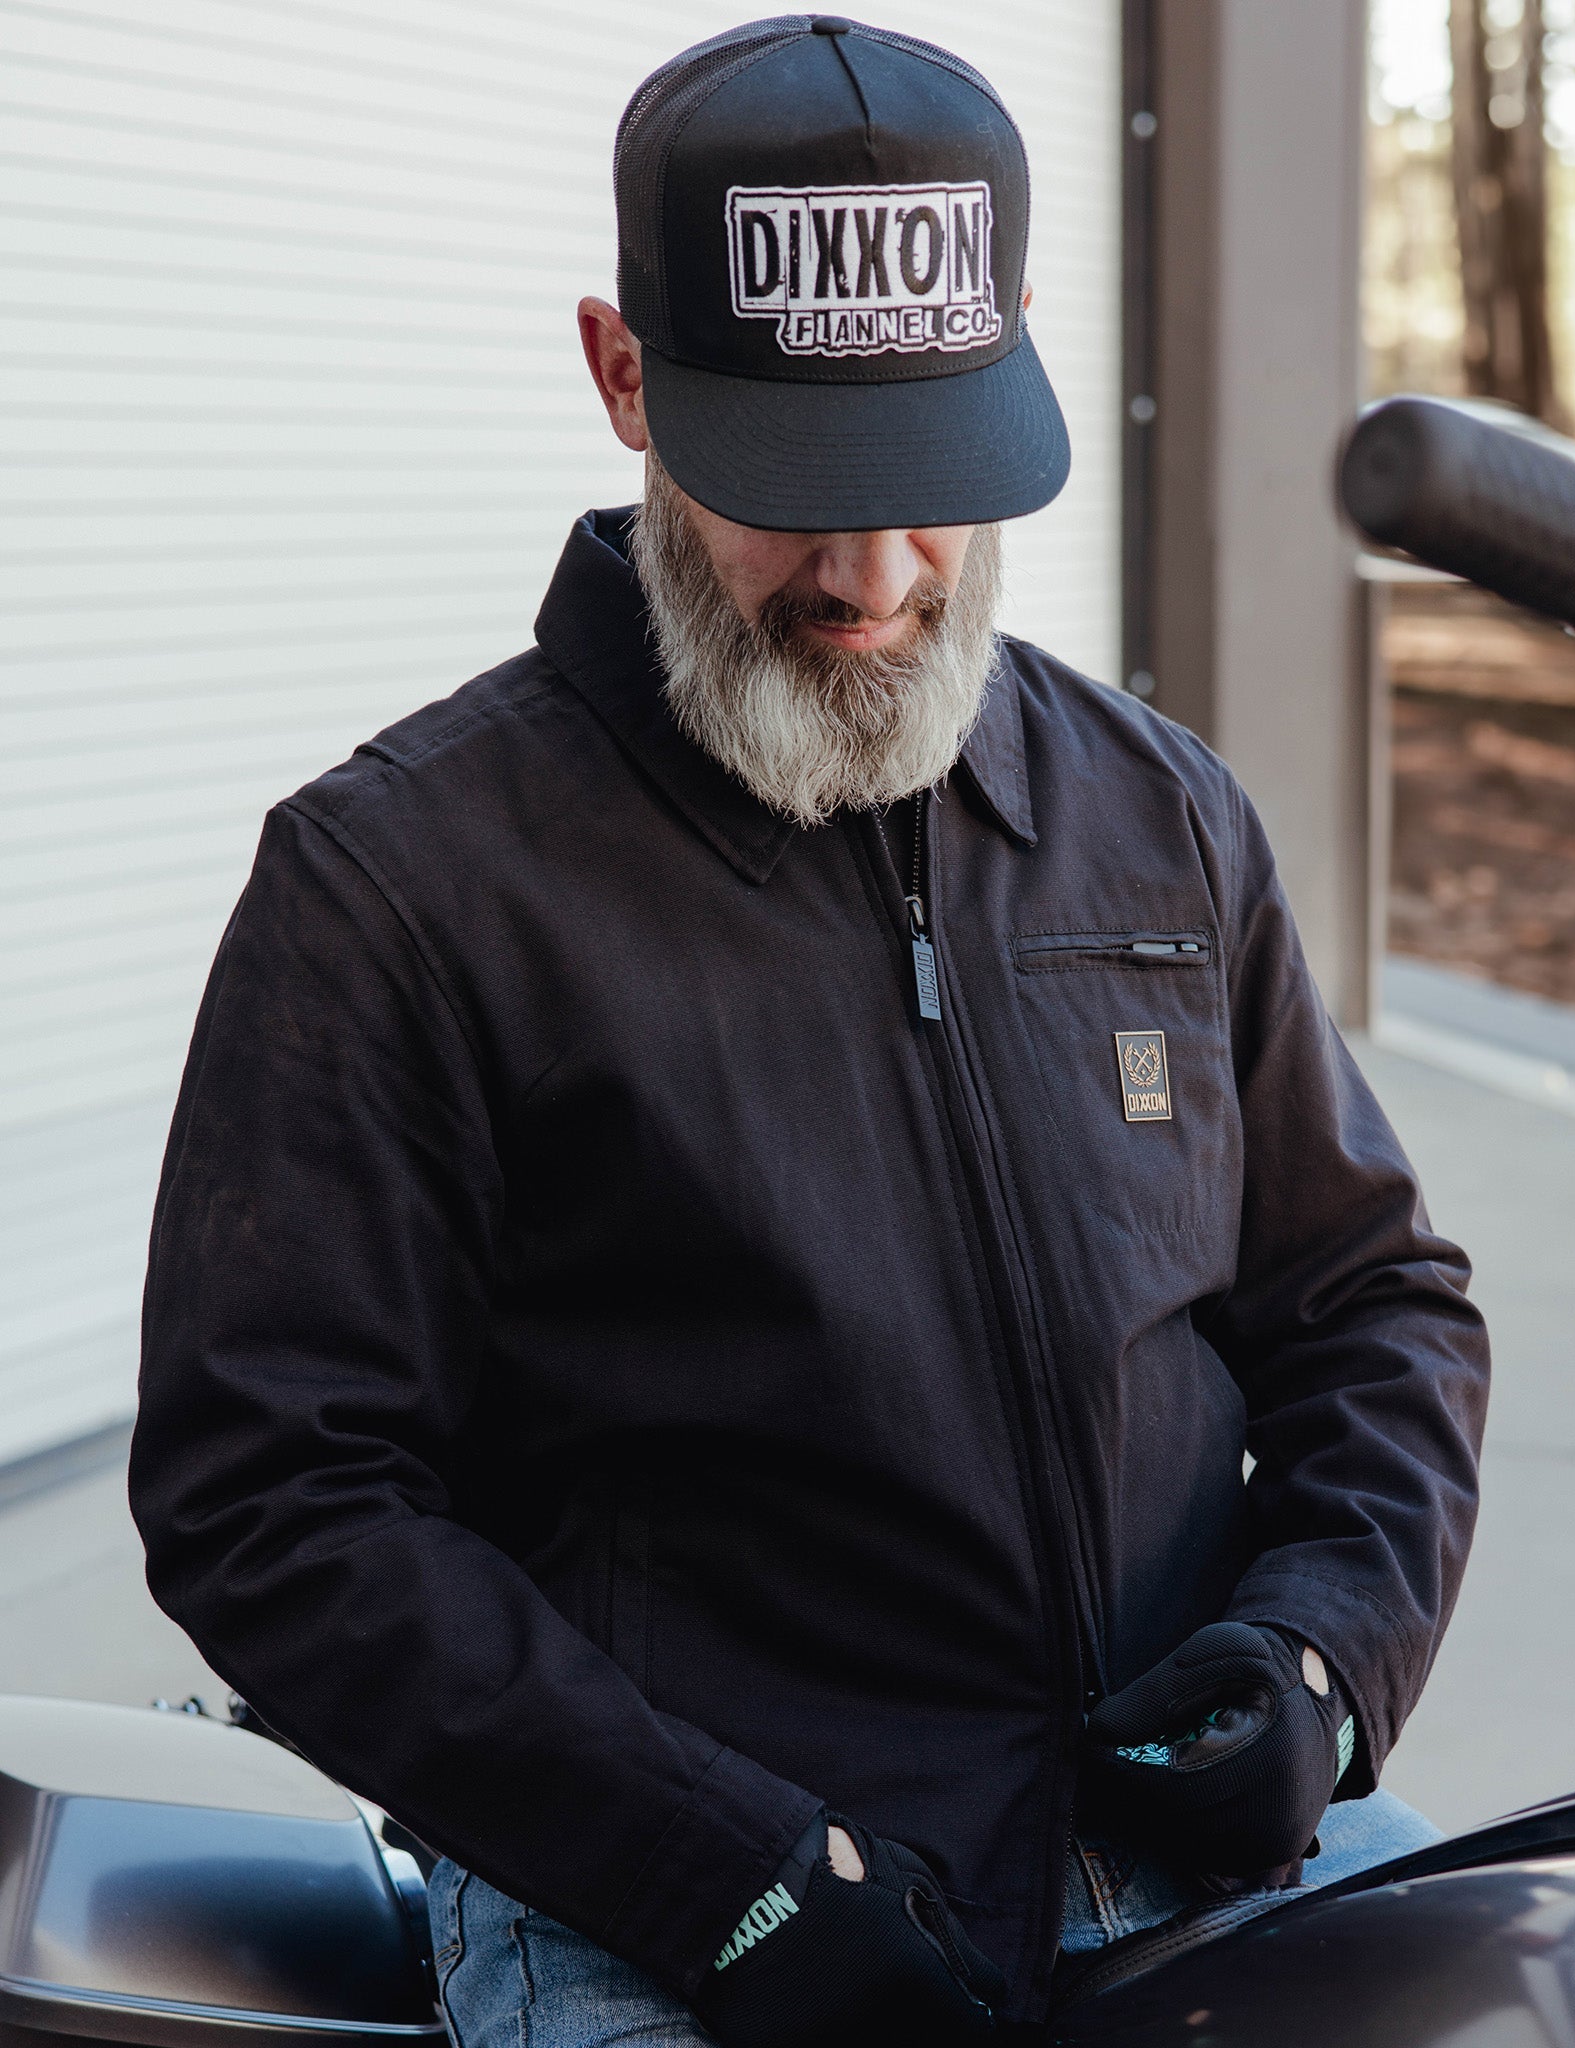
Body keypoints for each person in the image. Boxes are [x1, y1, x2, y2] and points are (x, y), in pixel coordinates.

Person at [130, 18, 1489, 2048]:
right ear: (623, 375)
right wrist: (719, 1872)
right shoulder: (395, 884)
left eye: (928, 479)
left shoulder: (1162, 815)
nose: (872, 574)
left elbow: (1376, 1301)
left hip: (1189, 1847)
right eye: (794, 486)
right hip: (662, 1915)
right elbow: (272, 1499)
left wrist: (1322, 1660)